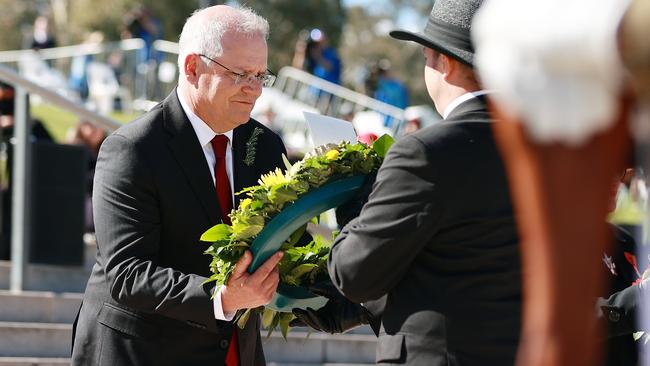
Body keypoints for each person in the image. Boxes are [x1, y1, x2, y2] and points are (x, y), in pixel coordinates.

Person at [294, 1, 522, 364]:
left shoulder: (425, 153)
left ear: (444, 63)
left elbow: (354, 274)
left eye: (427, 57)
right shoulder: (544, 151)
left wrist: (356, 203)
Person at [71, 5, 286, 366]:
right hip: (141, 352)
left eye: (261, 76)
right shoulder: (133, 148)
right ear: (192, 68)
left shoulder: (265, 146)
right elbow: (128, 273)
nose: (254, 91)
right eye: (240, 74)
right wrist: (223, 298)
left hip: (235, 351)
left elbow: (290, 246)